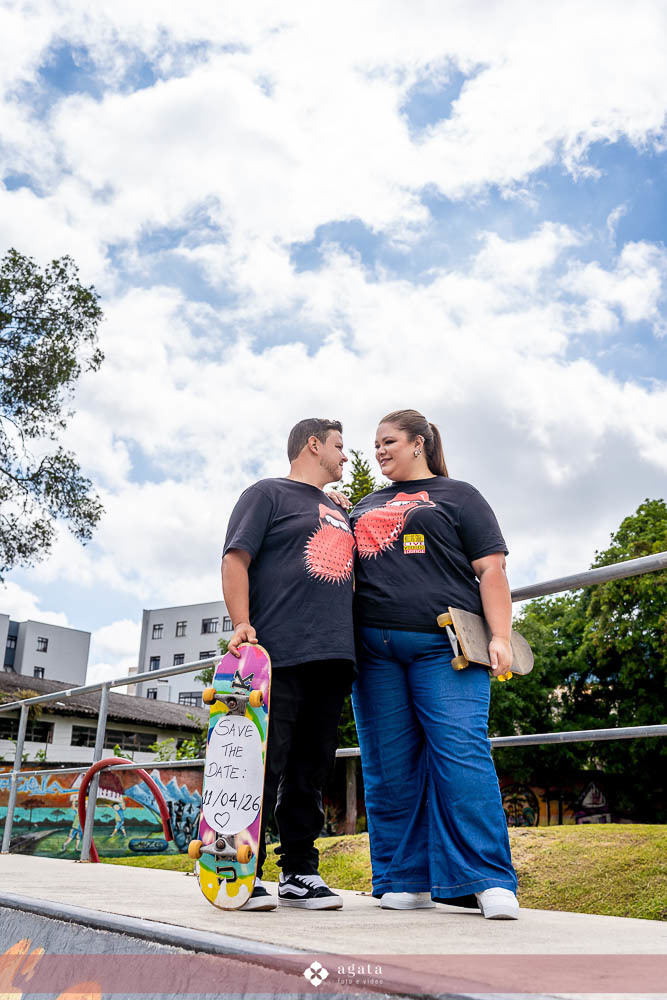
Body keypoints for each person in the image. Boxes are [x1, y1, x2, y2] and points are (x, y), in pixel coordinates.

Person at [349, 408, 520, 919]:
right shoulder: (364, 503)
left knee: (461, 755)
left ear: (419, 443)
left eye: (389, 441)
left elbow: (491, 570)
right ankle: (405, 878)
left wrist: (502, 637)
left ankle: (490, 879)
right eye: (375, 444)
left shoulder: (459, 495)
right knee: (388, 766)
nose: (379, 451)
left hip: (442, 647)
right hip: (372, 653)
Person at [222, 418, 356, 911]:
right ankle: (240, 868)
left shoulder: (341, 509)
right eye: (340, 447)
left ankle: (299, 871)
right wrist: (241, 623)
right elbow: (235, 558)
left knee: (310, 770)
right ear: (313, 445)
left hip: (334, 654)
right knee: (264, 764)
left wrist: (338, 507)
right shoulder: (266, 494)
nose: (346, 456)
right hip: (277, 652)